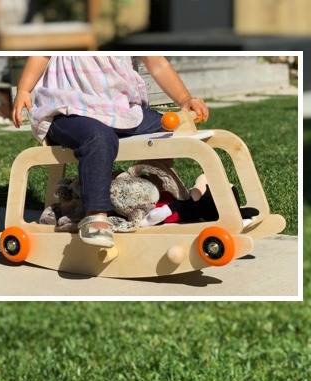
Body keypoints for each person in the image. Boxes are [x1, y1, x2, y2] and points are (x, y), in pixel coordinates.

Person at [11, 56, 209, 248]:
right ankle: (96, 217)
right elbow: (42, 54)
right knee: (99, 138)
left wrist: (184, 98)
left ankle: (155, 194)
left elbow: (156, 62)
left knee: (168, 129)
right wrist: (23, 90)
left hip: (119, 109)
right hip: (69, 109)